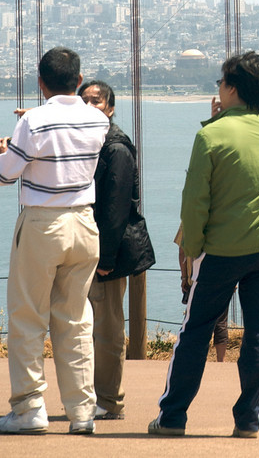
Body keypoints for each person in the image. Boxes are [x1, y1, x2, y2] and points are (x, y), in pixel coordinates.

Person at [149, 51, 259, 440]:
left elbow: (196, 200)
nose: (218, 90)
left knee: (195, 331)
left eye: (220, 84)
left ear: (232, 88)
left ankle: (173, 416)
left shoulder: (208, 135)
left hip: (222, 250)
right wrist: (220, 119)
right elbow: (246, 168)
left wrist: (190, 251)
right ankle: (248, 420)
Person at [0, 46, 109, 435]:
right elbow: (68, 133)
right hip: (84, 224)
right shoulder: (98, 120)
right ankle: (82, 413)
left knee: (28, 317)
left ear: (40, 83)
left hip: (43, 223)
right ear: (78, 80)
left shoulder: (34, 122)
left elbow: (4, 176)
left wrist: (3, 152)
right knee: (75, 320)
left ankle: (29, 408)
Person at [78, 78, 155, 420]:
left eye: (96, 101)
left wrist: (106, 258)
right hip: (89, 250)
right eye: (84, 100)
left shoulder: (116, 148)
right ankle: (94, 397)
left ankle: (109, 402)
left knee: (107, 330)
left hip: (106, 254)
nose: (89, 105)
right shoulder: (89, 144)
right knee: (90, 329)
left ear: (110, 108)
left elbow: (115, 208)